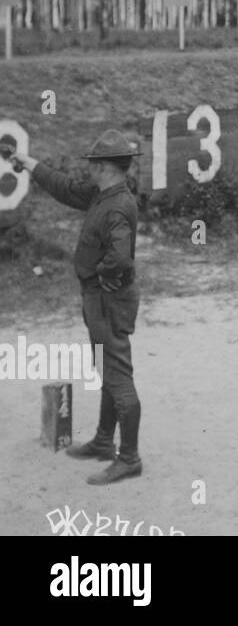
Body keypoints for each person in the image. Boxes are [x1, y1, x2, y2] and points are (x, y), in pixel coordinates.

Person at [10, 131, 145, 484]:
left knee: (117, 375)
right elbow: (65, 187)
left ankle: (129, 458)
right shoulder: (105, 194)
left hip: (106, 299)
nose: (88, 169)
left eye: (93, 164)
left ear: (104, 167)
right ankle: (104, 441)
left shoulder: (115, 206)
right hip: (101, 297)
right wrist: (29, 164)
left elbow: (119, 258)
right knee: (107, 369)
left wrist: (97, 275)